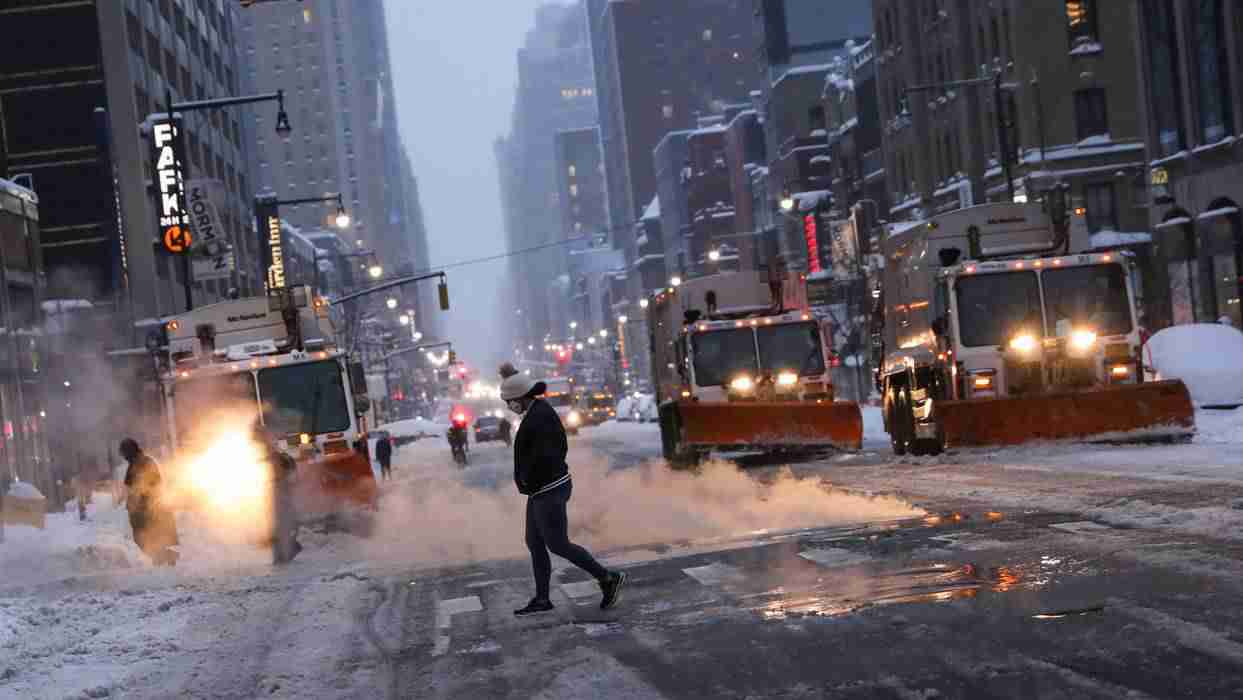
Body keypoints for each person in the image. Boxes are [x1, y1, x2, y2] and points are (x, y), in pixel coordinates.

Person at [498, 363, 626, 616]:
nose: (507, 407)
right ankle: (543, 598)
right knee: (535, 542)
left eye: (508, 401)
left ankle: (607, 578)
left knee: (557, 543)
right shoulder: (535, 412)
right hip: (540, 490)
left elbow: (547, 455)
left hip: (549, 488)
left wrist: (531, 478)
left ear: (518, 399)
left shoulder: (540, 416)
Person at [119, 439, 179, 566]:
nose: (123, 456)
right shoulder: (134, 464)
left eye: (124, 452)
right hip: (139, 508)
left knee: (148, 536)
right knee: (143, 538)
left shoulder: (145, 462)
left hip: (147, 507)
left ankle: (164, 558)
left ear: (130, 451)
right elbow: (130, 486)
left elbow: (153, 483)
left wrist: (142, 497)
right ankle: (164, 557)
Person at [252, 423, 302, 565]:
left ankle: (285, 552)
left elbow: (286, 469)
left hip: (280, 491)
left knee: (281, 523)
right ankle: (283, 552)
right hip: (278, 490)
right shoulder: (276, 455)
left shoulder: (277, 456)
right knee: (279, 523)